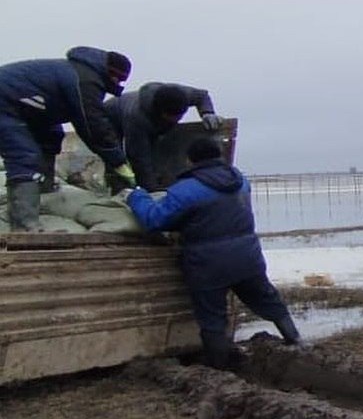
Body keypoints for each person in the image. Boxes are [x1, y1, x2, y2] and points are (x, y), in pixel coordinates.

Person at [126, 137, 300, 368]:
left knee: (212, 317)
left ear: (190, 160)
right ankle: (295, 341)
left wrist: (137, 196)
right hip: (247, 256)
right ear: (219, 155)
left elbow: (155, 220)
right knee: (268, 299)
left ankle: (219, 367)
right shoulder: (240, 182)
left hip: (208, 263)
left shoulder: (186, 190)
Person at [0, 47, 134, 231]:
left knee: (51, 138)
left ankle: (45, 196)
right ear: (110, 73)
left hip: (32, 109)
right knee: (24, 156)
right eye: (118, 78)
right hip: (6, 104)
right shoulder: (86, 80)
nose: (118, 83)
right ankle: (25, 226)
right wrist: (118, 160)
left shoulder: (83, 74)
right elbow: (91, 124)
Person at [105, 82, 223, 192]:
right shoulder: (137, 118)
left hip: (146, 120)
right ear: (160, 112)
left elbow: (202, 96)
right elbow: (139, 159)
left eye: (180, 116)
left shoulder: (182, 95)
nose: (178, 120)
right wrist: (153, 191)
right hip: (109, 118)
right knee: (116, 160)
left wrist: (207, 113)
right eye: (172, 117)